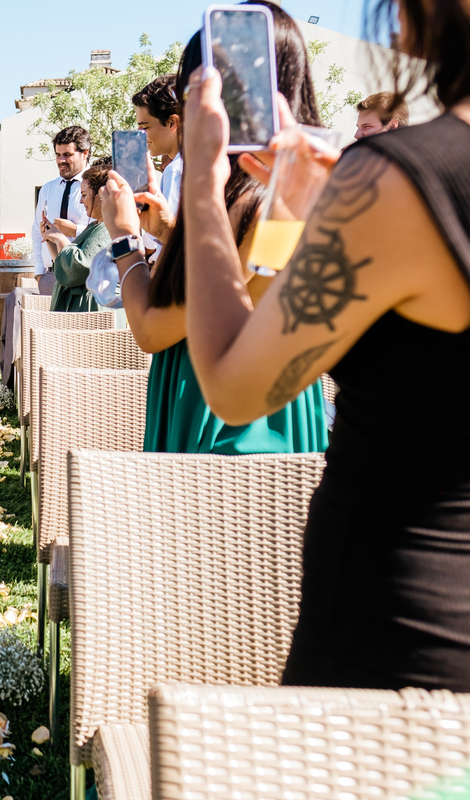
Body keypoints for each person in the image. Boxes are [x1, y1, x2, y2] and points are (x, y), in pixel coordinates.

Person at [179, 0, 470, 691]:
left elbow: (234, 388)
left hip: (402, 641)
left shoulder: (402, 180)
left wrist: (203, 183)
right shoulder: (387, 186)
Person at [99, 2, 329, 456]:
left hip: (222, 416)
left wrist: (125, 238)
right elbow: (247, 282)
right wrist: (171, 232)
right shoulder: (294, 193)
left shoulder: (245, 203)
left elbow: (153, 330)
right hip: (275, 401)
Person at [41, 164, 112, 312]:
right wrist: (50, 239)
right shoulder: (94, 226)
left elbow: (79, 267)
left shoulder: (109, 228)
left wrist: (60, 238)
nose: (81, 201)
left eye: (84, 195)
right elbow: (65, 268)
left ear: (101, 195)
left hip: (93, 312)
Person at [31, 126, 92, 295]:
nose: (61, 160)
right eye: (58, 155)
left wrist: (74, 230)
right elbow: (36, 231)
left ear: (85, 153)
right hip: (51, 276)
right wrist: (39, 273)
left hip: (85, 277)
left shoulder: (98, 187)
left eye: (67, 154)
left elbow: (105, 232)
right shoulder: (47, 189)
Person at [133, 75, 184, 247]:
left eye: (145, 127)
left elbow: (168, 246)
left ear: (172, 122)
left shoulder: (176, 170)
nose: (140, 134)